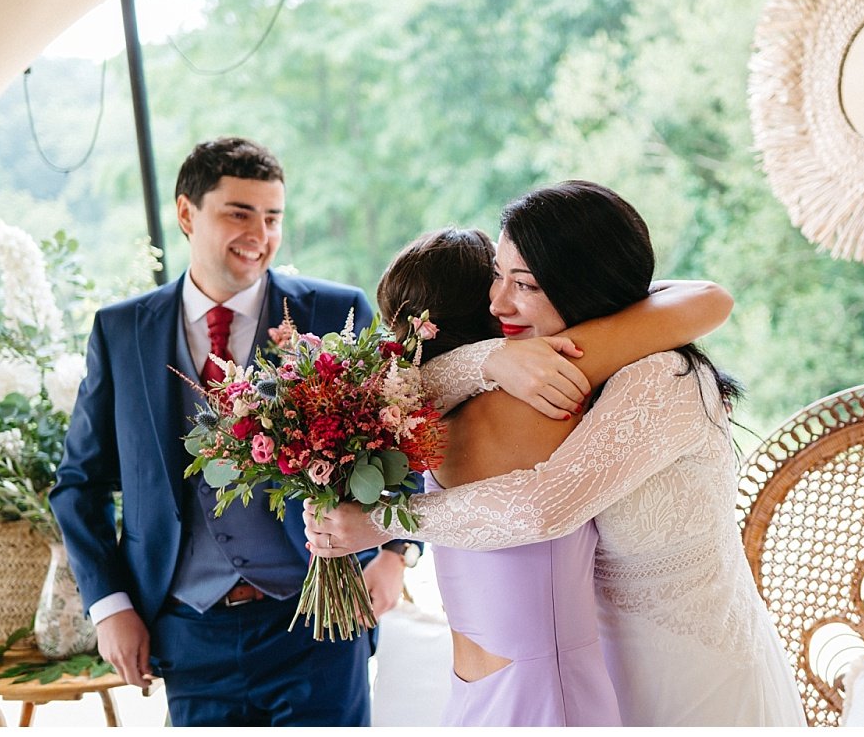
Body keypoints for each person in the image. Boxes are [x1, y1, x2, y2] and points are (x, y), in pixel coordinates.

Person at [306, 180, 809, 727]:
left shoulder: (659, 376)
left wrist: (383, 523)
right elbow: (410, 390)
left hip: (689, 675)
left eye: (524, 284)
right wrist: (489, 358)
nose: (497, 302)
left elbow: (545, 506)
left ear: (582, 287)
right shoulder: (555, 365)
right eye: (496, 275)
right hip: (599, 673)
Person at [49, 137, 416, 726]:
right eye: (239, 213)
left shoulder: (333, 314)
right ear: (187, 213)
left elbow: (406, 445)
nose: (260, 234)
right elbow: (78, 483)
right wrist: (109, 605)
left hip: (319, 620)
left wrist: (396, 552)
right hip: (185, 631)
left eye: (272, 217)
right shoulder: (121, 331)